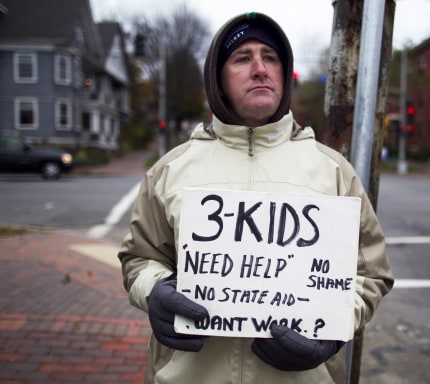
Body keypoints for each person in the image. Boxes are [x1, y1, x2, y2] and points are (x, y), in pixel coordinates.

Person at [118, 12, 393, 384]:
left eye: (271, 57)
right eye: (243, 58)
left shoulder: (333, 172)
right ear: (218, 77)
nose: (260, 69)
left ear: (284, 72)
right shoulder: (170, 171)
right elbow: (140, 259)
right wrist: (156, 293)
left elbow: (370, 273)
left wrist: (333, 329)